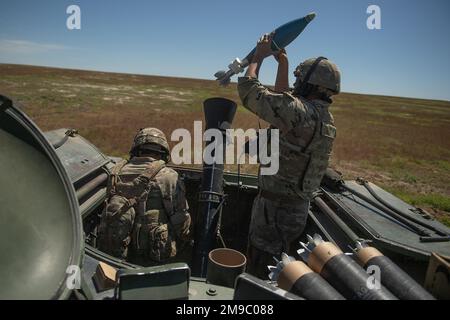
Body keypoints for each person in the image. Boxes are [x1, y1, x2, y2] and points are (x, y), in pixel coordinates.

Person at [237, 33, 341, 279]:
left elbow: (249, 92)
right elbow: (285, 107)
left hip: (273, 211)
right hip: (295, 210)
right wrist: (283, 64)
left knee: (262, 270)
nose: (297, 84)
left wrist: (258, 58)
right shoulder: (324, 117)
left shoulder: (301, 113)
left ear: (309, 84)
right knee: (283, 268)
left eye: (300, 79)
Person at [97, 128, 191, 266]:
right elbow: (180, 219)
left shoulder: (115, 172)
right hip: (152, 255)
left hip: (117, 253)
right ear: (163, 153)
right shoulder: (167, 176)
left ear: (136, 150)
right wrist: (185, 236)